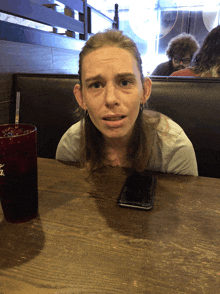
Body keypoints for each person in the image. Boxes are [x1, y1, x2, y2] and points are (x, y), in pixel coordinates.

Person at [56, 29, 198, 176]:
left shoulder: (174, 149)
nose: (111, 99)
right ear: (81, 98)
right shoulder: (71, 145)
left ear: (145, 91)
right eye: (96, 85)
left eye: (124, 82)